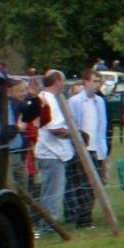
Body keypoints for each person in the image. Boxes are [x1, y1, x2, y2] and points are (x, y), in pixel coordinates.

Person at [64, 68, 108, 229]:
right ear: (86, 82)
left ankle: (86, 216)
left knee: (94, 185)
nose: (97, 85)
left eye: (99, 82)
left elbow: (102, 125)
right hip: (82, 149)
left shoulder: (100, 101)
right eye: (94, 81)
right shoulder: (75, 101)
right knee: (82, 185)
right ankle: (82, 218)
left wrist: (102, 150)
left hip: (96, 148)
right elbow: (73, 123)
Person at [32, 69, 73, 235]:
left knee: (52, 190)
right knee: (52, 191)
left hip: (53, 151)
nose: (64, 84)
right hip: (51, 152)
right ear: (57, 80)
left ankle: (49, 222)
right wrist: (74, 134)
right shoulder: (47, 99)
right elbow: (54, 128)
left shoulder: (49, 98)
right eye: (62, 80)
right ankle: (49, 225)